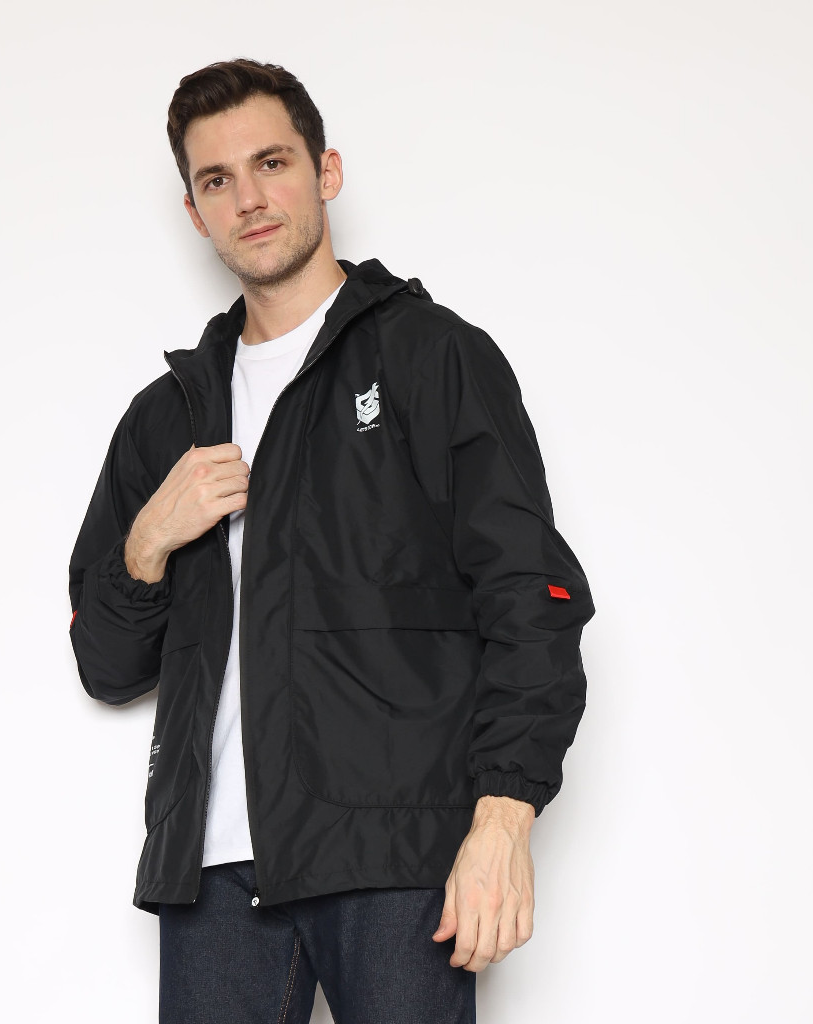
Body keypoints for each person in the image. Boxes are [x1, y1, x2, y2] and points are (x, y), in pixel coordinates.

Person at [68, 58, 594, 1024]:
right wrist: (149, 540)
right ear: (194, 211)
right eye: (217, 179)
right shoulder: (168, 416)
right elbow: (106, 664)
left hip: (394, 858)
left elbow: (533, 599)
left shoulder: (432, 356)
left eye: (271, 163)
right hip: (209, 876)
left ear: (326, 171)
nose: (249, 198)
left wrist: (504, 816)